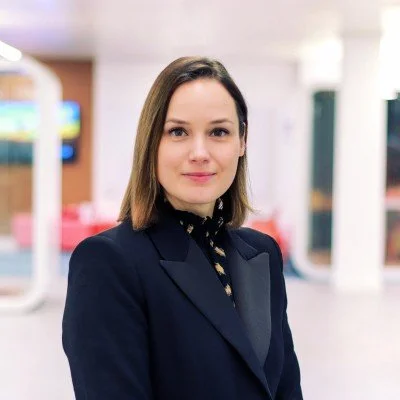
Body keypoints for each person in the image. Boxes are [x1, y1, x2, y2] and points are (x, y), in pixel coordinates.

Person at [62, 56, 303, 400]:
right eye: (178, 132)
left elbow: (286, 388)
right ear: (151, 143)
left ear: (242, 142)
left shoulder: (262, 253)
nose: (199, 152)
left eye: (219, 132)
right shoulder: (109, 262)